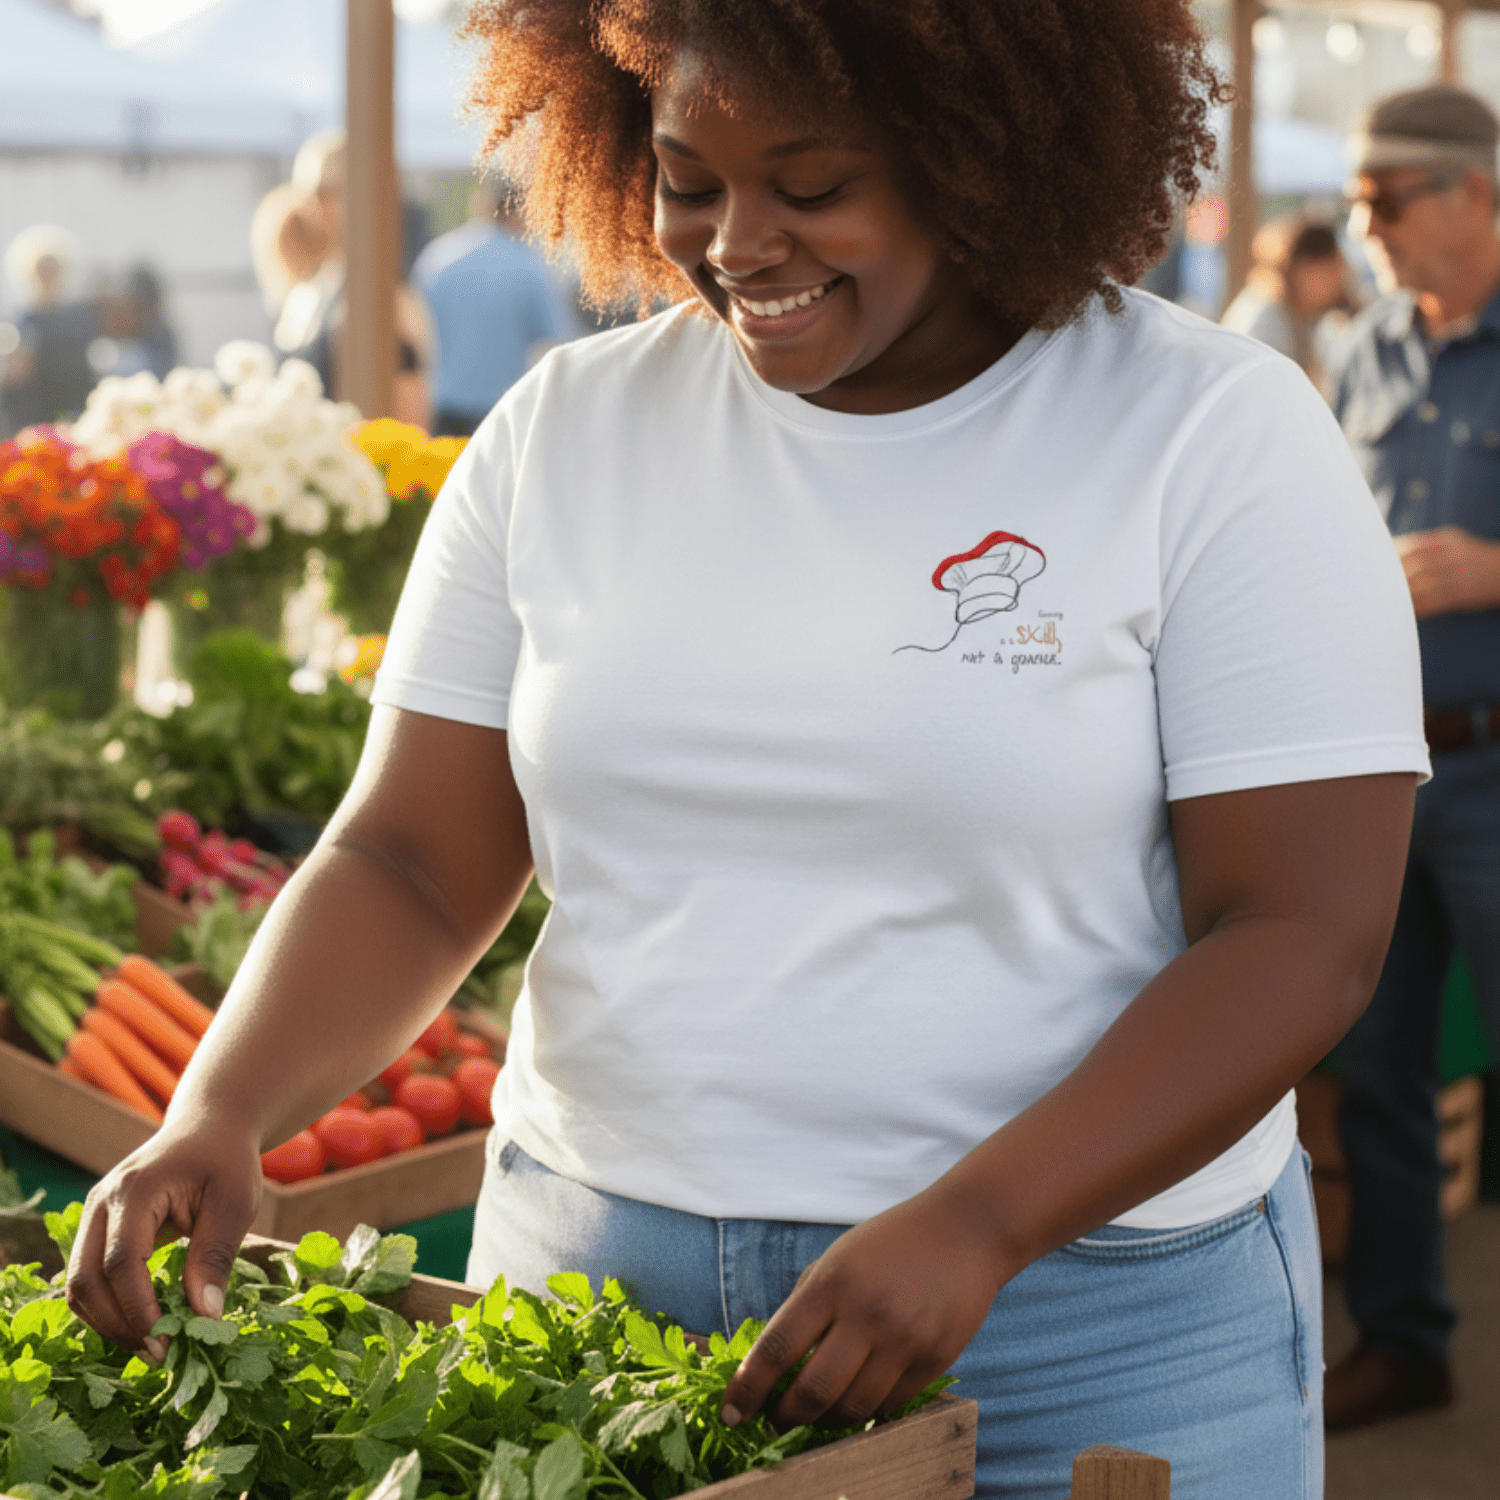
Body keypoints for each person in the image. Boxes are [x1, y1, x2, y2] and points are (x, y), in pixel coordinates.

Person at [66, 5, 1428, 1496]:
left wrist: (983, 1221)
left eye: (813, 184)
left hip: (1085, 1321)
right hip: (591, 1296)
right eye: (689, 181)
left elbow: (1301, 931)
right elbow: (407, 860)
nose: (737, 244)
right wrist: (223, 1109)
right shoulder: (564, 432)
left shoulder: (1210, 432)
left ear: (975, 154)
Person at [1321, 82, 1500, 1433]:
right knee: (1375, 1067)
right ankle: (1401, 1342)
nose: (1363, 225)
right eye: (1357, 202)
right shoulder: (1360, 347)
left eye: (1384, 201)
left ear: (1476, 195)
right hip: (1388, 769)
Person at [276, 130, 436, 428]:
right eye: (308, 193)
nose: (314, 205)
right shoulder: (321, 285)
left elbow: (406, 424)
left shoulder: (390, 301)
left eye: (327, 192)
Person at [411, 182, 577, 437]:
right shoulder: (531, 267)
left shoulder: (436, 258)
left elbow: (415, 332)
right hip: (502, 414)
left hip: (442, 410)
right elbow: (559, 344)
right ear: (520, 211)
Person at [1221, 215, 1353, 387]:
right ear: (1304, 269)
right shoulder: (1265, 320)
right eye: (1331, 271)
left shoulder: (1296, 311)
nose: (1339, 281)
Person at [1, 225, 98, 431]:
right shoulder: (23, 321)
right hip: (38, 411)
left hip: (75, 404)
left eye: (52, 271)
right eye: (42, 272)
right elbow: (16, 376)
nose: (48, 277)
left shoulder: (79, 315)